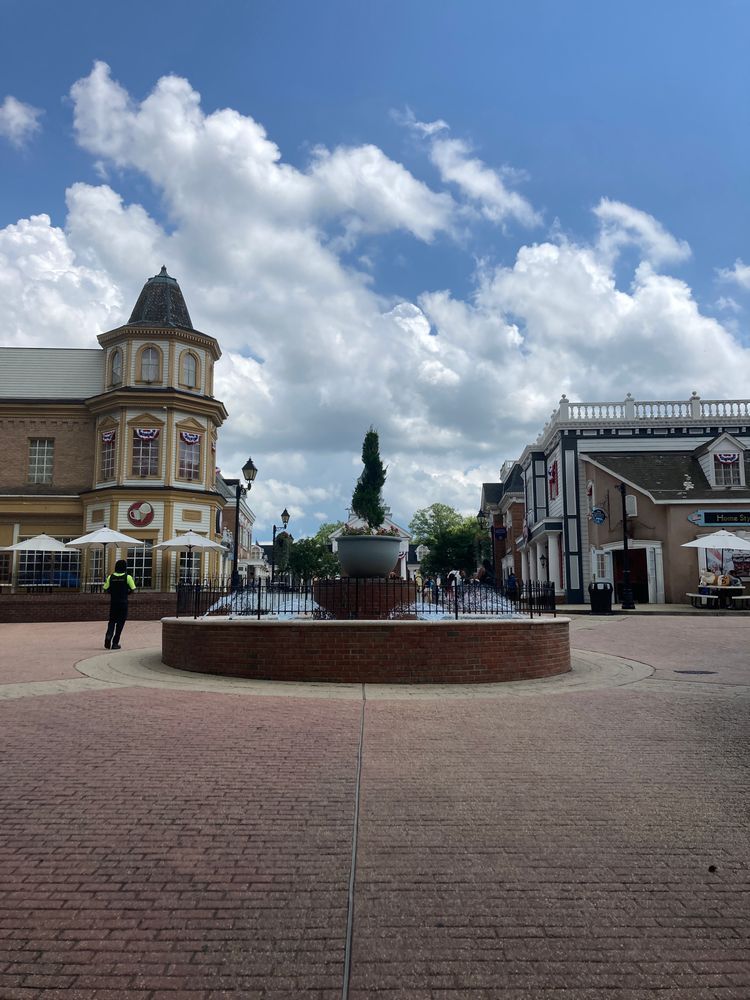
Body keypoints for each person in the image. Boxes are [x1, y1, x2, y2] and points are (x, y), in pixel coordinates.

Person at [103, 559, 137, 649]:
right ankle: (115, 643)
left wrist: (112, 592)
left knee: (112, 621)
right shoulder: (128, 577)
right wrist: (127, 593)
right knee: (120, 623)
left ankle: (108, 635)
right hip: (123, 603)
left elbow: (105, 589)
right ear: (124, 568)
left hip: (113, 603)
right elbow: (133, 588)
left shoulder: (110, 577)